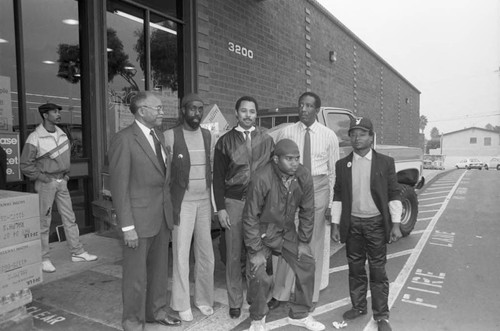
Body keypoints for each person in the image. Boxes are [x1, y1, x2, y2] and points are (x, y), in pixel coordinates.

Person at [108, 92, 181, 331]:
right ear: (141, 110)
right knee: (135, 277)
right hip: (137, 222)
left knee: (159, 272)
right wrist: (127, 226)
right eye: (158, 108)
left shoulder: (158, 137)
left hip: (161, 218)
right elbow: (119, 188)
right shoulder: (124, 139)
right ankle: (132, 322)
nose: (162, 112)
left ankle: (156, 311)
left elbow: (163, 179)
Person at [243, 139, 325, 331]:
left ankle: (299, 314)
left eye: (297, 158)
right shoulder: (261, 177)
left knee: (306, 263)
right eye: (289, 159)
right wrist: (255, 251)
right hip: (262, 232)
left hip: (286, 231)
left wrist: (304, 241)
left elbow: (307, 210)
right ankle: (257, 320)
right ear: (276, 159)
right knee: (260, 275)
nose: (295, 163)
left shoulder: (303, 175)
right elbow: (250, 217)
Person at [330, 116, 402, 331]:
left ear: (371, 137)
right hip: (353, 224)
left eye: (362, 133)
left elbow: (393, 193)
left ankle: (381, 316)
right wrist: (335, 224)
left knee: (378, 270)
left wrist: (396, 223)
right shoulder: (342, 164)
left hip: (376, 225)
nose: (356, 137)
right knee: (355, 268)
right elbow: (338, 195)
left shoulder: (385, 162)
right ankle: (359, 306)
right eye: (353, 133)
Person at [271, 92, 339, 309]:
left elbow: (333, 173)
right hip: (291, 186)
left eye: (309, 106)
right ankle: (280, 293)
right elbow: (273, 160)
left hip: (318, 188)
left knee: (312, 243)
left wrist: (330, 205)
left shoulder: (329, 136)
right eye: (301, 104)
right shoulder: (286, 132)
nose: (304, 109)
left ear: (317, 110)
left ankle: (308, 294)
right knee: (287, 238)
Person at [213, 96, 275, 319]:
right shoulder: (224, 141)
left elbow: (274, 174)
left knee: (256, 254)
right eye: (244, 111)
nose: (248, 115)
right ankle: (235, 301)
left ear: (256, 114)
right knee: (232, 254)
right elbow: (218, 179)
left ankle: (254, 299)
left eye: (252, 111)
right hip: (234, 203)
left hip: (259, 205)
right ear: (236, 113)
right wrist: (220, 208)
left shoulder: (267, 140)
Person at [20, 103, 97, 273]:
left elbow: (66, 158)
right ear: (45, 115)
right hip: (46, 183)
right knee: (44, 222)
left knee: (70, 218)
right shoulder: (35, 137)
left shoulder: (63, 134)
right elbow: (25, 165)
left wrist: (66, 175)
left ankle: (77, 252)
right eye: (54, 112)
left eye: (58, 111)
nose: (58, 114)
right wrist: (43, 177)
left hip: (62, 181)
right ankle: (43, 258)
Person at [164, 93, 215, 321]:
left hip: (204, 201)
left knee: (206, 254)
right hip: (182, 203)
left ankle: (203, 299)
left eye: (200, 109)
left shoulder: (208, 136)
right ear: (183, 110)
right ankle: (181, 303)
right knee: (181, 254)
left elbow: (211, 169)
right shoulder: (170, 136)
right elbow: (165, 175)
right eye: (192, 109)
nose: (197, 113)